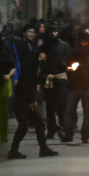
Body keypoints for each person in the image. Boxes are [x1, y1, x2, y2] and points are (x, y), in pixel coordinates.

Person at [8, 27, 59, 159]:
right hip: (21, 103)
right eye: (41, 57)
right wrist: (31, 101)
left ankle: (43, 148)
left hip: (26, 102)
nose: (43, 59)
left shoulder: (36, 70)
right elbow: (24, 88)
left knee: (39, 124)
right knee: (23, 127)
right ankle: (13, 150)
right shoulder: (30, 70)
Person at [64, 29, 89, 144]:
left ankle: (85, 135)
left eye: (86, 40)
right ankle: (68, 134)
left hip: (87, 87)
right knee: (69, 111)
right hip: (74, 86)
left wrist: (84, 67)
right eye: (82, 40)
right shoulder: (73, 53)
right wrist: (68, 67)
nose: (84, 42)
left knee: (88, 112)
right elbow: (65, 63)